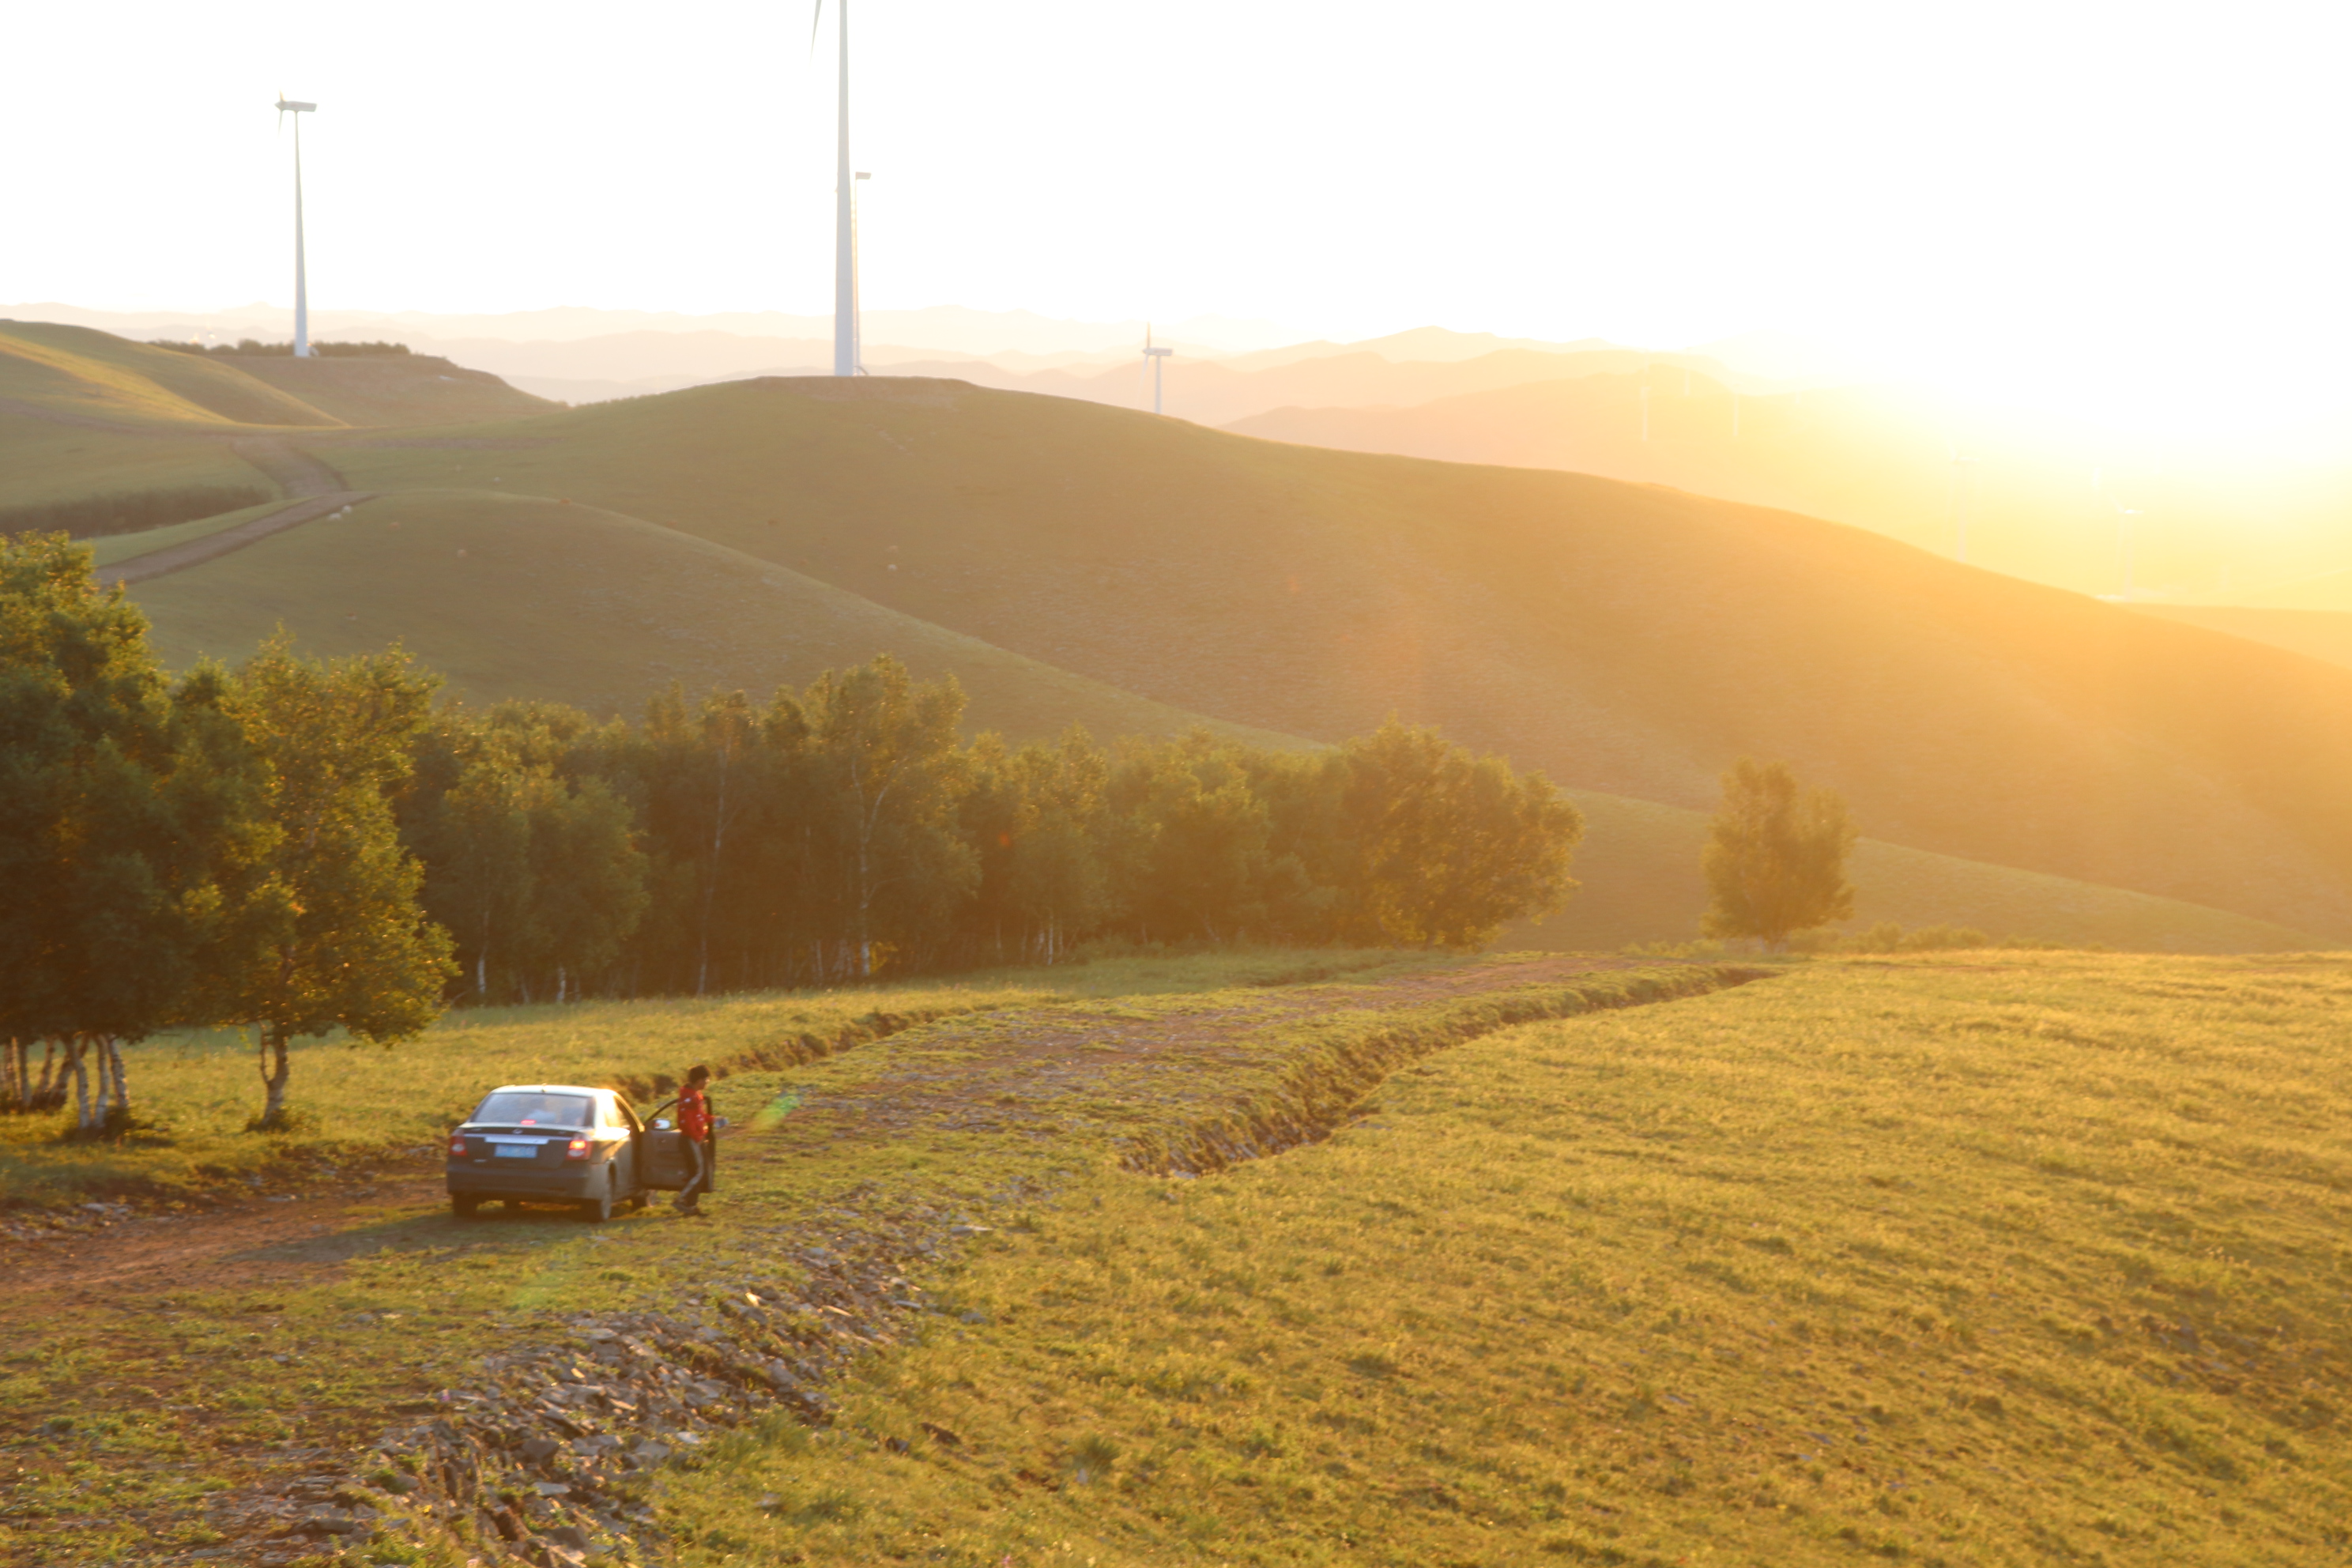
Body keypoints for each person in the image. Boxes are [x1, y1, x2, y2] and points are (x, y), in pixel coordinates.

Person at [673, 1065, 715, 1216]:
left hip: (692, 1139)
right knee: (699, 1173)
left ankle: (691, 1206)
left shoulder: (692, 1096)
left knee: (695, 1173)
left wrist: (714, 1120)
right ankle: (681, 1199)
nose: (708, 1082)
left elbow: (699, 1116)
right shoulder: (690, 1099)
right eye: (707, 1079)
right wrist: (699, 1137)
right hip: (691, 1140)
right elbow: (689, 1123)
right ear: (700, 1080)